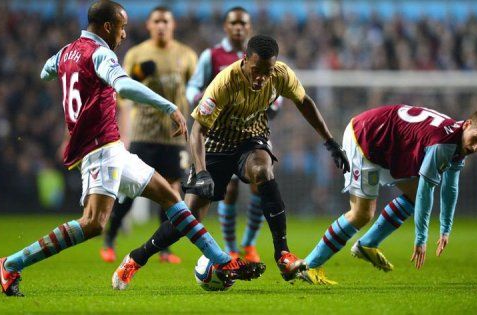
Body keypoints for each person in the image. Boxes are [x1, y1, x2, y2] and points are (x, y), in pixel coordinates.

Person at [0, 1, 264, 297]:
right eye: (121, 28)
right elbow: (123, 86)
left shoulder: (68, 50)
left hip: (113, 148)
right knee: (94, 223)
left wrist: (70, 75)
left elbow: (46, 71)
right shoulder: (100, 53)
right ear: (108, 26)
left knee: (171, 196)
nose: (123, 35)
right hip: (99, 150)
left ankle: (223, 261)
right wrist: (168, 105)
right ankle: (11, 263)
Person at [113, 34, 349, 288]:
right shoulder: (224, 82)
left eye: (267, 72)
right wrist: (202, 172)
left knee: (262, 171)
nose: (261, 77)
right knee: (187, 219)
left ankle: (283, 253)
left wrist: (330, 142)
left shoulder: (281, 75)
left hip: (251, 142)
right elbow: (197, 131)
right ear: (245, 60)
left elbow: (304, 102)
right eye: (256, 70)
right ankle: (135, 259)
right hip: (215, 146)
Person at [298, 105, 477, 285]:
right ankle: (308, 266)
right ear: (467, 124)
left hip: (386, 144)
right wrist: (421, 239)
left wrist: (445, 229)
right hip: (365, 138)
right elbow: (426, 191)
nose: (476, 147)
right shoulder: (443, 144)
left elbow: (450, 187)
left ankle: (367, 244)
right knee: (361, 214)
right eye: (476, 139)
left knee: (412, 195)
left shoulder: (458, 139)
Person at [100, 6, 197, 264]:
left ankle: (164, 249)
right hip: (144, 133)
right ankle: (110, 238)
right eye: (157, 21)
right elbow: (121, 89)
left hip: (173, 136)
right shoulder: (136, 53)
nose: (162, 25)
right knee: (132, 190)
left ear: (173, 25)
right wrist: (141, 74)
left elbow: (193, 90)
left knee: (172, 192)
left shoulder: (186, 55)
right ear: (149, 26)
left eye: (166, 20)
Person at [186, 6, 276, 263]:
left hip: (254, 129)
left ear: (249, 27)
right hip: (221, 134)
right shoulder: (211, 55)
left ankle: (249, 244)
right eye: (233, 23)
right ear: (226, 27)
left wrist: (275, 102)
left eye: (243, 24)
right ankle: (231, 246)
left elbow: (276, 90)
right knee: (230, 189)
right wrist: (204, 101)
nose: (238, 27)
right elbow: (192, 87)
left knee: (263, 181)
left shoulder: (262, 57)